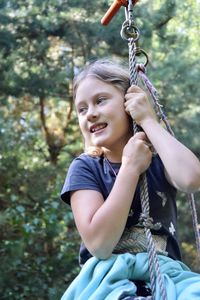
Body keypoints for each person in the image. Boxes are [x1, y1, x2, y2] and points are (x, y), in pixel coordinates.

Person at [60, 59, 200, 300]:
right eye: (82, 109)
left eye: (100, 100)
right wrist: (130, 167)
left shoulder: (160, 161)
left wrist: (148, 120)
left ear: (129, 102)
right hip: (109, 279)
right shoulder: (85, 168)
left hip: (167, 277)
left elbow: (191, 180)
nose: (90, 113)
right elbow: (100, 244)